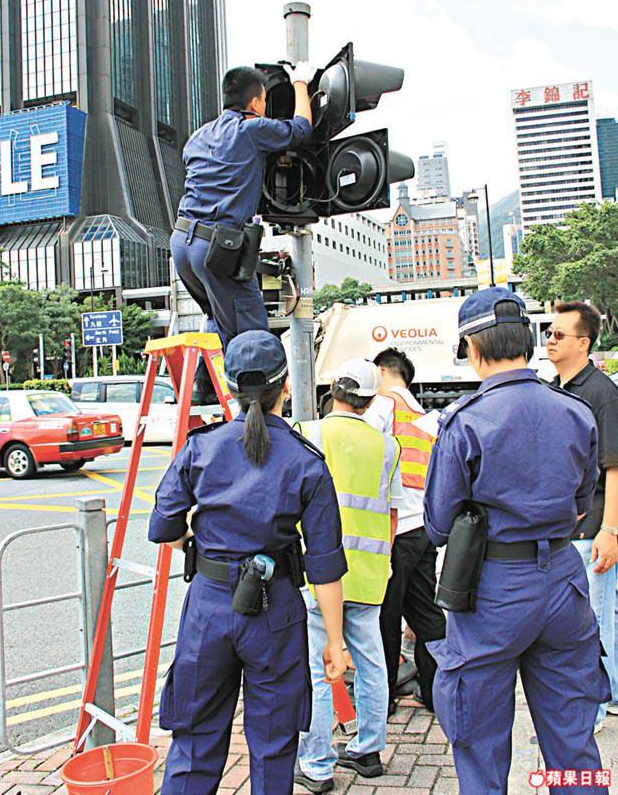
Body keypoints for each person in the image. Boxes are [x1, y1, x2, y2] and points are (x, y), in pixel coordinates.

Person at [424, 287, 610, 795]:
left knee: (480, 745)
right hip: (564, 584)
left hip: (491, 591)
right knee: (574, 741)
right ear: (527, 340)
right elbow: (581, 502)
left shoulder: (466, 420)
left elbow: (438, 525)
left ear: (473, 348)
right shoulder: (574, 410)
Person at [148, 330, 347, 795]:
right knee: (274, 745)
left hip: (208, 607)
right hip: (276, 612)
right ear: (286, 388)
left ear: (231, 388)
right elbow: (324, 566)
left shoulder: (201, 447)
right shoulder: (306, 461)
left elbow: (163, 527)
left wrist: (196, 546)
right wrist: (336, 643)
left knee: (193, 741)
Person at [170, 62, 315, 398]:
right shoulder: (250, 130)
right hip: (217, 248)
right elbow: (301, 129)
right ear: (254, 103)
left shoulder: (198, 137)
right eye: (264, 101)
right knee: (252, 334)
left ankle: (204, 387)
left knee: (216, 311)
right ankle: (258, 411)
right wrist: (300, 82)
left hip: (182, 243)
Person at [294, 359, 403, 793]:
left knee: (320, 666)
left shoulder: (309, 433)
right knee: (372, 663)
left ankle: (317, 765)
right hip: (371, 572)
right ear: (371, 400)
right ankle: (368, 750)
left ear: (333, 391)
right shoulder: (388, 446)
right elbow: (391, 514)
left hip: (321, 573)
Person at [363, 347, 446, 715]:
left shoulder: (383, 406)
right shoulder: (424, 416)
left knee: (386, 616)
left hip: (394, 531)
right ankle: (435, 692)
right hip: (423, 528)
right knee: (427, 613)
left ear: (382, 371)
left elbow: (362, 450)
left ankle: (383, 700)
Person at [547, 300, 618, 731]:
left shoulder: (602, 393)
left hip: (593, 528)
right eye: (549, 333)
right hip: (566, 527)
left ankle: (592, 709)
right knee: (593, 617)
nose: (550, 340)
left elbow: (614, 467)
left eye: (559, 334)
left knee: (592, 620)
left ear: (584, 343)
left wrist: (610, 529)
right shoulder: (555, 389)